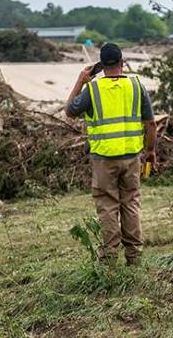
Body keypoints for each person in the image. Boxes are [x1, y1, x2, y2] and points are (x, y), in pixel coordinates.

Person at [65, 43, 157, 266]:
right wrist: (151, 151)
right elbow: (151, 123)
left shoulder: (92, 89)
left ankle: (109, 261)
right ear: (122, 63)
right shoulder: (136, 86)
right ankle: (134, 259)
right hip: (132, 157)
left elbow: (69, 110)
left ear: (101, 66)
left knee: (108, 207)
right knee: (131, 204)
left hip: (104, 159)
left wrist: (80, 81)